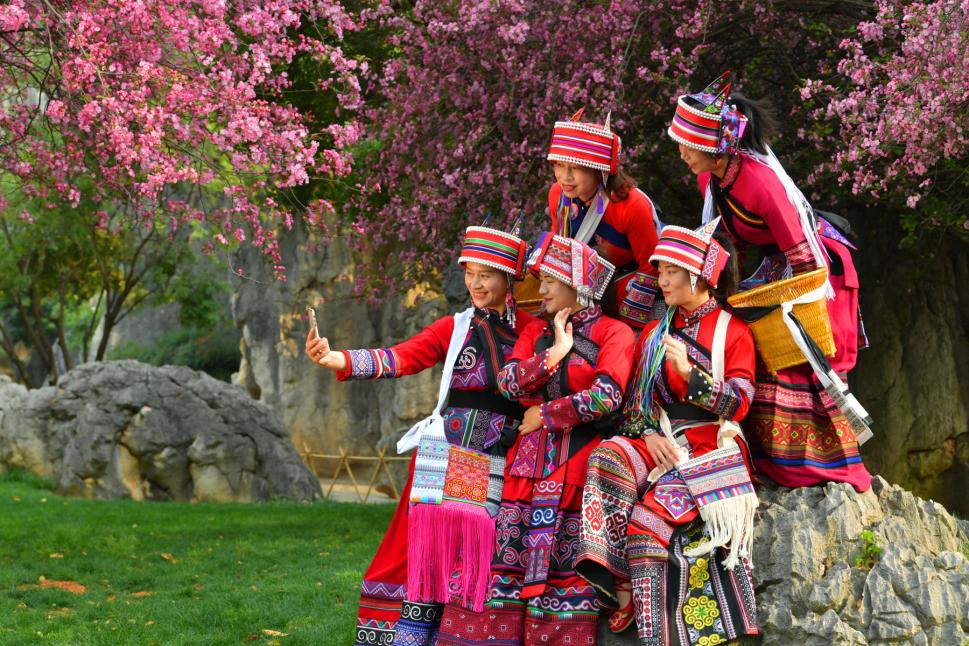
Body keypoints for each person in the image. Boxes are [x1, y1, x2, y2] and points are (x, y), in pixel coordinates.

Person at [305, 225, 535, 646]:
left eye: (486, 275)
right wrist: (337, 358)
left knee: (478, 560)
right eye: (470, 274)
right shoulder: (456, 327)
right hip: (445, 455)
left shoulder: (534, 331)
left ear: (508, 278)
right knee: (424, 557)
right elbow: (403, 357)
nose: (475, 284)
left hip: (502, 458)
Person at [667, 70, 872, 491]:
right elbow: (729, 245)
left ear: (715, 148)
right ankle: (770, 458)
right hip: (780, 263)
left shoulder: (762, 184)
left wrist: (783, 312)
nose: (682, 154)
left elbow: (804, 258)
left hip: (817, 269)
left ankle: (823, 466)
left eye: (688, 145)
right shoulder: (711, 180)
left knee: (800, 353)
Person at [437, 233, 636, 645]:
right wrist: (556, 351)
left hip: (575, 464)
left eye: (549, 281)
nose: (540, 290)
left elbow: (607, 396)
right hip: (524, 466)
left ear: (577, 286)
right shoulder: (539, 334)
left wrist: (544, 413)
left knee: (561, 575)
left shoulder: (614, 333)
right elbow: (508, 382)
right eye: (541, 280)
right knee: (503, 566)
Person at [576, 220, 759, 645]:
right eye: (659, 271)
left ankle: (660, 634)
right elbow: (635, 406)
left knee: (646, 525)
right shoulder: (653, 333)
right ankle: (618, 583)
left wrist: (690, 375)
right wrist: (648, 435)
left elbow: (741, 402)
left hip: (712, 448)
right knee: (607, 457)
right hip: (663, 441)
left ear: (698, 276)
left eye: (670, 272)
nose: (661, 281)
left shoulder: (734, 331)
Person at [542, 109, 664, 329]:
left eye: (575, 168)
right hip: (581, 297)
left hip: (629, 296)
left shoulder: (632, 205)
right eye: (559, 165)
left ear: (599, 171)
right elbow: (561, 253)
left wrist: (624, 322)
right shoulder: (557, 196)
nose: (565, 177)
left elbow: (652, 267)